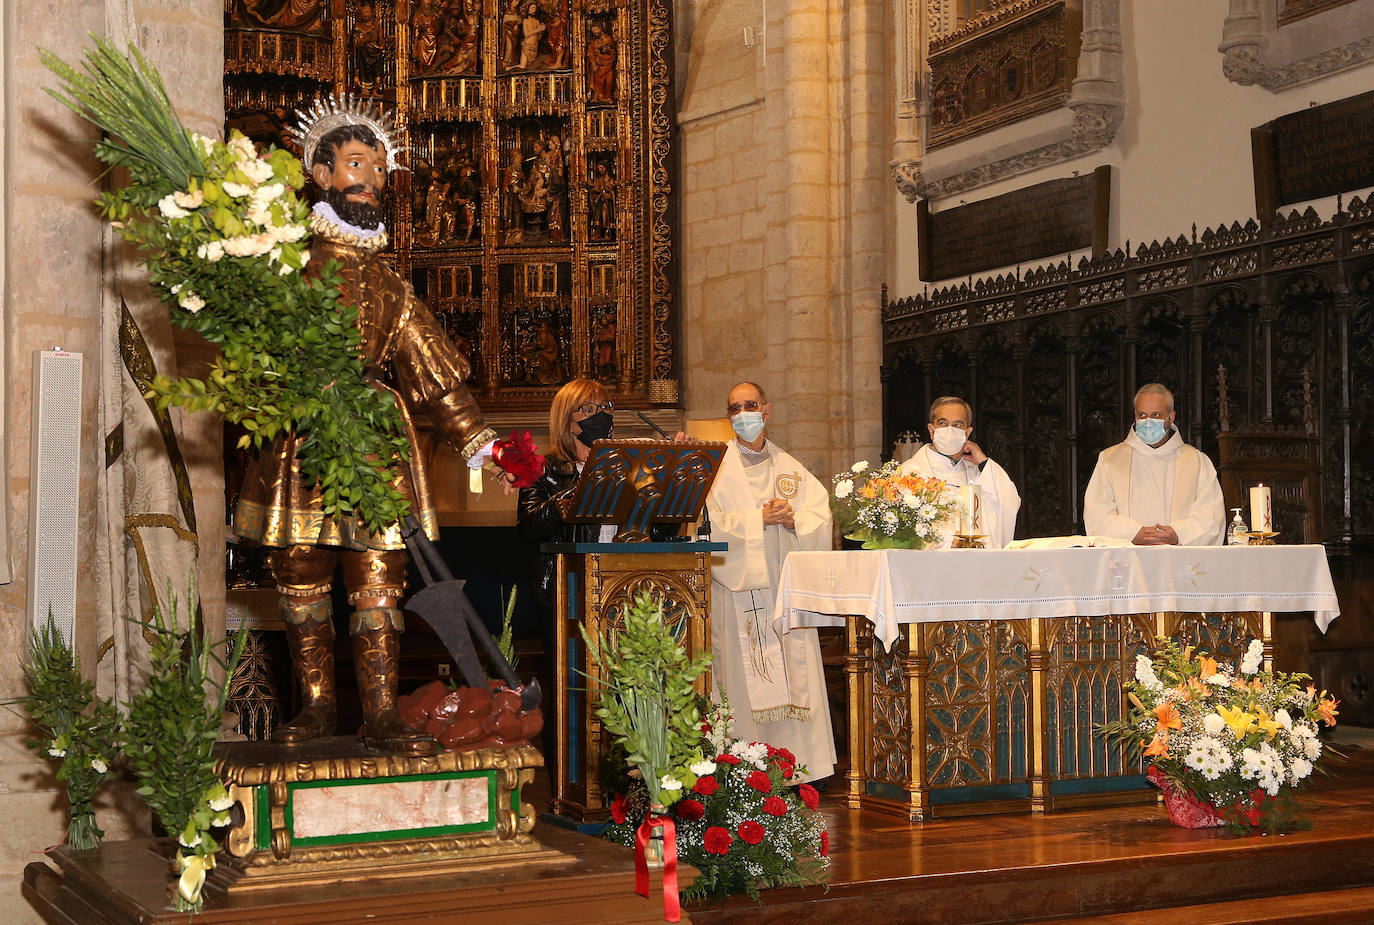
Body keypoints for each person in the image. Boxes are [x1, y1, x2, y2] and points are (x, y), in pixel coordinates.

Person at [235, 98, 513, 756]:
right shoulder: (282, 266)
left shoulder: (392, 287)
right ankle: (318, 707)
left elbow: (434, 377)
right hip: (300, 438)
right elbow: (251, 362)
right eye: (358, 164)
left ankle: (383, 713)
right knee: (300, 571)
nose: (372, 179)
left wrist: (483, 446)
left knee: (378, 576)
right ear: (322, 174)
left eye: (380, 168)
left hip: (379, 441)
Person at [706, 382, 836, 783]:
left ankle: (796, 769)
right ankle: (742, 773)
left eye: (750, 405)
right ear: (728, 417)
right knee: (738, 681)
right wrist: (755, 521)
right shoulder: (713, 469)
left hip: (781, 590)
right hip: (736, 592)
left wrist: (794, 518)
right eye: (734, 408)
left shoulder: (791, 469)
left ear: (767, 409)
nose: (743, 413)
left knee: (795, 677)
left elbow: (822, 518)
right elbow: (703, 526)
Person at [1083, 383, 1225, 545]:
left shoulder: (1197, 462)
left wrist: (1178, 534)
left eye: (1156, 415)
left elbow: (1211, 517)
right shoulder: (1110, 460)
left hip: (1179, 562)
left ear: (1171, 417)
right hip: (1128, 562)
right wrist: (1133, 534)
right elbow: (1097, 514)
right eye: (1142, 415)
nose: (1148, 421)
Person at [898, 396, 1021, 548]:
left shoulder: (979, 472)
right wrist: (950, 541)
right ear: (931, 430)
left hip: (980, 564)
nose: (950, 430)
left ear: (967, 432)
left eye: (957, 425)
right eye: (943, 423)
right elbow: (905, 528)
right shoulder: (911, 473)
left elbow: (1009, 501)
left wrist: (983, 462)